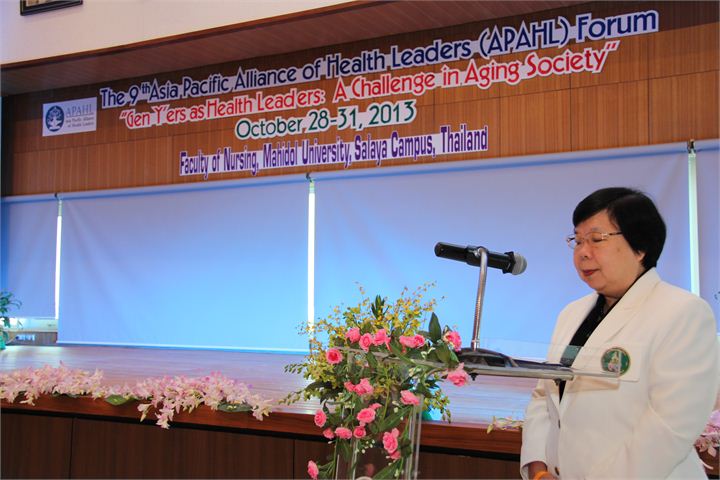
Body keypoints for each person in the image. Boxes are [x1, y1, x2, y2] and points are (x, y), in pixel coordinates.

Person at [520, 187, 719, 479]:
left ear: (640, 248)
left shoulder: (683, 312)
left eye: (597, 239)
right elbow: (544, 395)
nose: (583, 252)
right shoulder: (571, 314)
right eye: (578, 240)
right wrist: (538, 468)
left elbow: (670, 426)